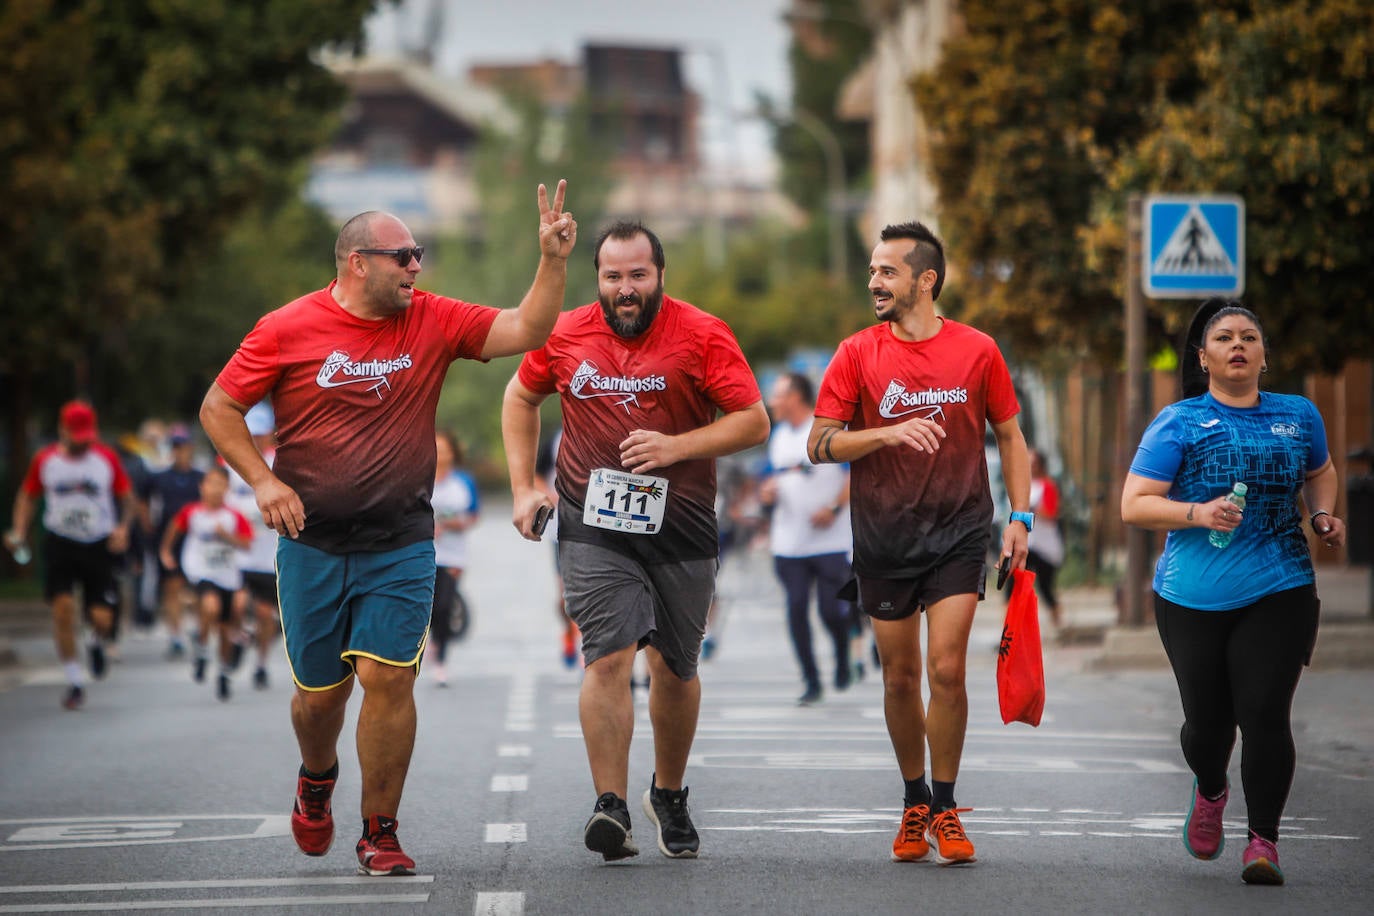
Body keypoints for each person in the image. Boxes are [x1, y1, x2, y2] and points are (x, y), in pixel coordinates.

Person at [199, 181, 577, 877]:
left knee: (387, 678)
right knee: (320, 698)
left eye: (419, 254)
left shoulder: (432, 320)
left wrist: (551, 261)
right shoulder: (285, 327)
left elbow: (527, 330)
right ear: (356, 263)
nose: (415, 267)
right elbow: (219, 407)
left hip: (401, 541)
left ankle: (381, 830)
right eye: (403, 255)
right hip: (311, 544)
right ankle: (317, 781)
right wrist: (264, 480)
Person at [502, 220, 769, 863]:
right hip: (593, 525)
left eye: (638, 276)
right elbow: (519, 397)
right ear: (598, 278)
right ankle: (611, 805)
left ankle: (668, 794)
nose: (625, 290)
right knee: (609, 655)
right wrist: (523, 487)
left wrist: (677, 446)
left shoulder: (703, 334)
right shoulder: (564, 333)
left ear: (660, 276)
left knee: (675, 668)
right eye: (613, 277)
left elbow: (753, 420)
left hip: (681, 525)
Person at [808, 221, 1031, 867]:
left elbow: (1011, 438)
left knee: (947, 670)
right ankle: (913, 802)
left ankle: (946, 804)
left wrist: (1021, 516)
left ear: (924, 280)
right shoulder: (856, 353)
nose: (873, 281)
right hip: (882, 535)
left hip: (960, 530)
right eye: (873, 270)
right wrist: (883, 433)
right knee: (902, 677)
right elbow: (819, 443)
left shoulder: (978, 350)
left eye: (886, 271)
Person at [1121, 300, 1345, 887]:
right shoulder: (1180, 422)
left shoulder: (1299, 416)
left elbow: (1321, 470)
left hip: (1282, 586)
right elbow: (1135, 503)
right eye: (1224, 338)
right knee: (1208, 725)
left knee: (1266, 713)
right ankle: (1212, 788)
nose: (1238, 345)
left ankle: (1263, 841)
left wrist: (1322, 514)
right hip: (1190, 594)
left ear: (1264, 355)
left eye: (1249, 337)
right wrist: (1197, 511)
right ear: (1205, 356)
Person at [4, 401, 136, 710]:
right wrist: (19, 530)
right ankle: (75, 679)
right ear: (63, 430)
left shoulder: (106, 459)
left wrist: (123, 528)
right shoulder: (45, 460)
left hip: (98, 542)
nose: (84, 442)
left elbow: (127, 499)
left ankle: (95, 640)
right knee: (62, 609)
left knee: (102, 618)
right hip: (60, 542)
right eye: (78, 435)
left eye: (88, 435)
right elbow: (27, 497)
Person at [758, 371, 854, 705]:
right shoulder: (779, 435)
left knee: (831, 611)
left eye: (777, 395)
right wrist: (767, 494)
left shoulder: (826, 428)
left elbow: (852, 477)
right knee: (796, 607)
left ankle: (843, 654)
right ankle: (811, 680)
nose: (771, 402)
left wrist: (833, 508)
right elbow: (775, 480)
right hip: (789, 542)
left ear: (795, 397)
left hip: (829, 541)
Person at [159, 465, 253, 700]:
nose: (215, 489)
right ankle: (201, 647)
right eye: (211, 483)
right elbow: (174, 529)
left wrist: (227, 536)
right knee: (211, 606)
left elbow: (246, 544)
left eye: (221, 484)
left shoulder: (233, 516)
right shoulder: (192, 513)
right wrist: (166, 552)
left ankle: (223, 672)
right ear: (202, 487)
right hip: (200, 570)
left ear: (227, 488)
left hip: (227, 575)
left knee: (224, 628)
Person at [224, 400, 281, 689]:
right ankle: (239, 636)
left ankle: (260, 664)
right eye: (251, 432)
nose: (256, 438)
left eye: (261, 432)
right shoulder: (229, 464)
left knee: (264, 613)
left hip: (268, 553)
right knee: (236, 604)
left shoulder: (280, 463)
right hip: (238, 552)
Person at [139, 427, 204, 658]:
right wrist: (147, 522)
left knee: (197, 588)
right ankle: (176, 635)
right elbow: (143, 499)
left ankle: (198, 628)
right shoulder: (159, 477)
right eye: (176, 447)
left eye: (183, 447)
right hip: (167, 538)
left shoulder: (200, 478)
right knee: (171, 587)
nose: (180, 452)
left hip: (196, 540)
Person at [427, 430, 479, 686]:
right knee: (426, 606)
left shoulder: (463, 481)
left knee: (445, 606)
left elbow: (474, 515)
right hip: (423, 552)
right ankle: (428, 643)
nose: (442, 454)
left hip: (454, 554)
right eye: (437, 448)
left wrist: (452, 524)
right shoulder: (420, 478)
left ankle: (441, 661)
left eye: (446, 449)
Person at [1018, 448, 1064, 628]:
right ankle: (1010, 629)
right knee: (1014, 585)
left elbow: (1051, 512)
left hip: (1044, 545)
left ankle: (1057, 621)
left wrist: (1032, 509)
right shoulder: (1021, 484)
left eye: (1033, 463)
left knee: (1045, 588)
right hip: (1025, 543)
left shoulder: (1047, 485)